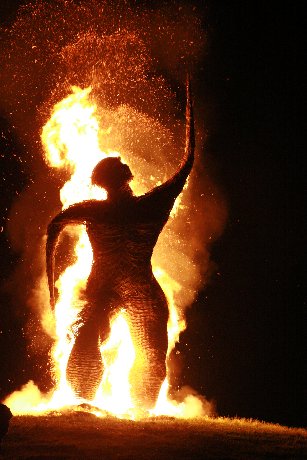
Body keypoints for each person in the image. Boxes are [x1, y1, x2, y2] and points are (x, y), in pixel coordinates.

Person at [46, 78, 195, 409]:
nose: (125, 166)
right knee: (89, 341)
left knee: (151, 351)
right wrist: (52, 292)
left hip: (131, 287)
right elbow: (54, 227)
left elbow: (186, 167)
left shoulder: (132, 208)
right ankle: (82, 403)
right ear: (116, 178)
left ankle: (139, 411)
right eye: (119, 167)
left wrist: (191, 122)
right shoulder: (110, 210)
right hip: (110, 287)